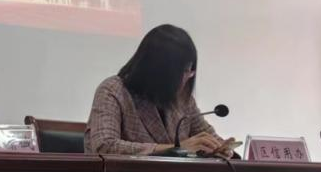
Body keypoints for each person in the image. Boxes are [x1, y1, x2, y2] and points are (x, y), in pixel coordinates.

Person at [86, 24, 235, 157]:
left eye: (191, 71)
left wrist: (219, 147)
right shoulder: (113, 90)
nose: (188, 77)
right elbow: (104, 146)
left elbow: (205, 134)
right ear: (160, 71)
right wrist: (176, 148)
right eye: (184, 71)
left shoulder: (183, 98)